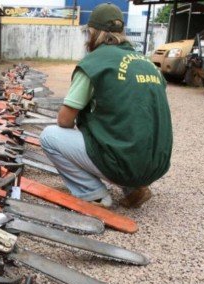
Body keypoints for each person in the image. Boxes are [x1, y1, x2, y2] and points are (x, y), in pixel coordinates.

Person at [39, 2, 173, 209]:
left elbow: (64, 121)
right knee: (122, 126)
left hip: (124, 163)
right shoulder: (147, 63)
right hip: (156, 164)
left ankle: (93, 194)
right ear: (122, 32)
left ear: (91, 32)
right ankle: (134, 187)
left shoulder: (95, 63)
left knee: (50, 136)